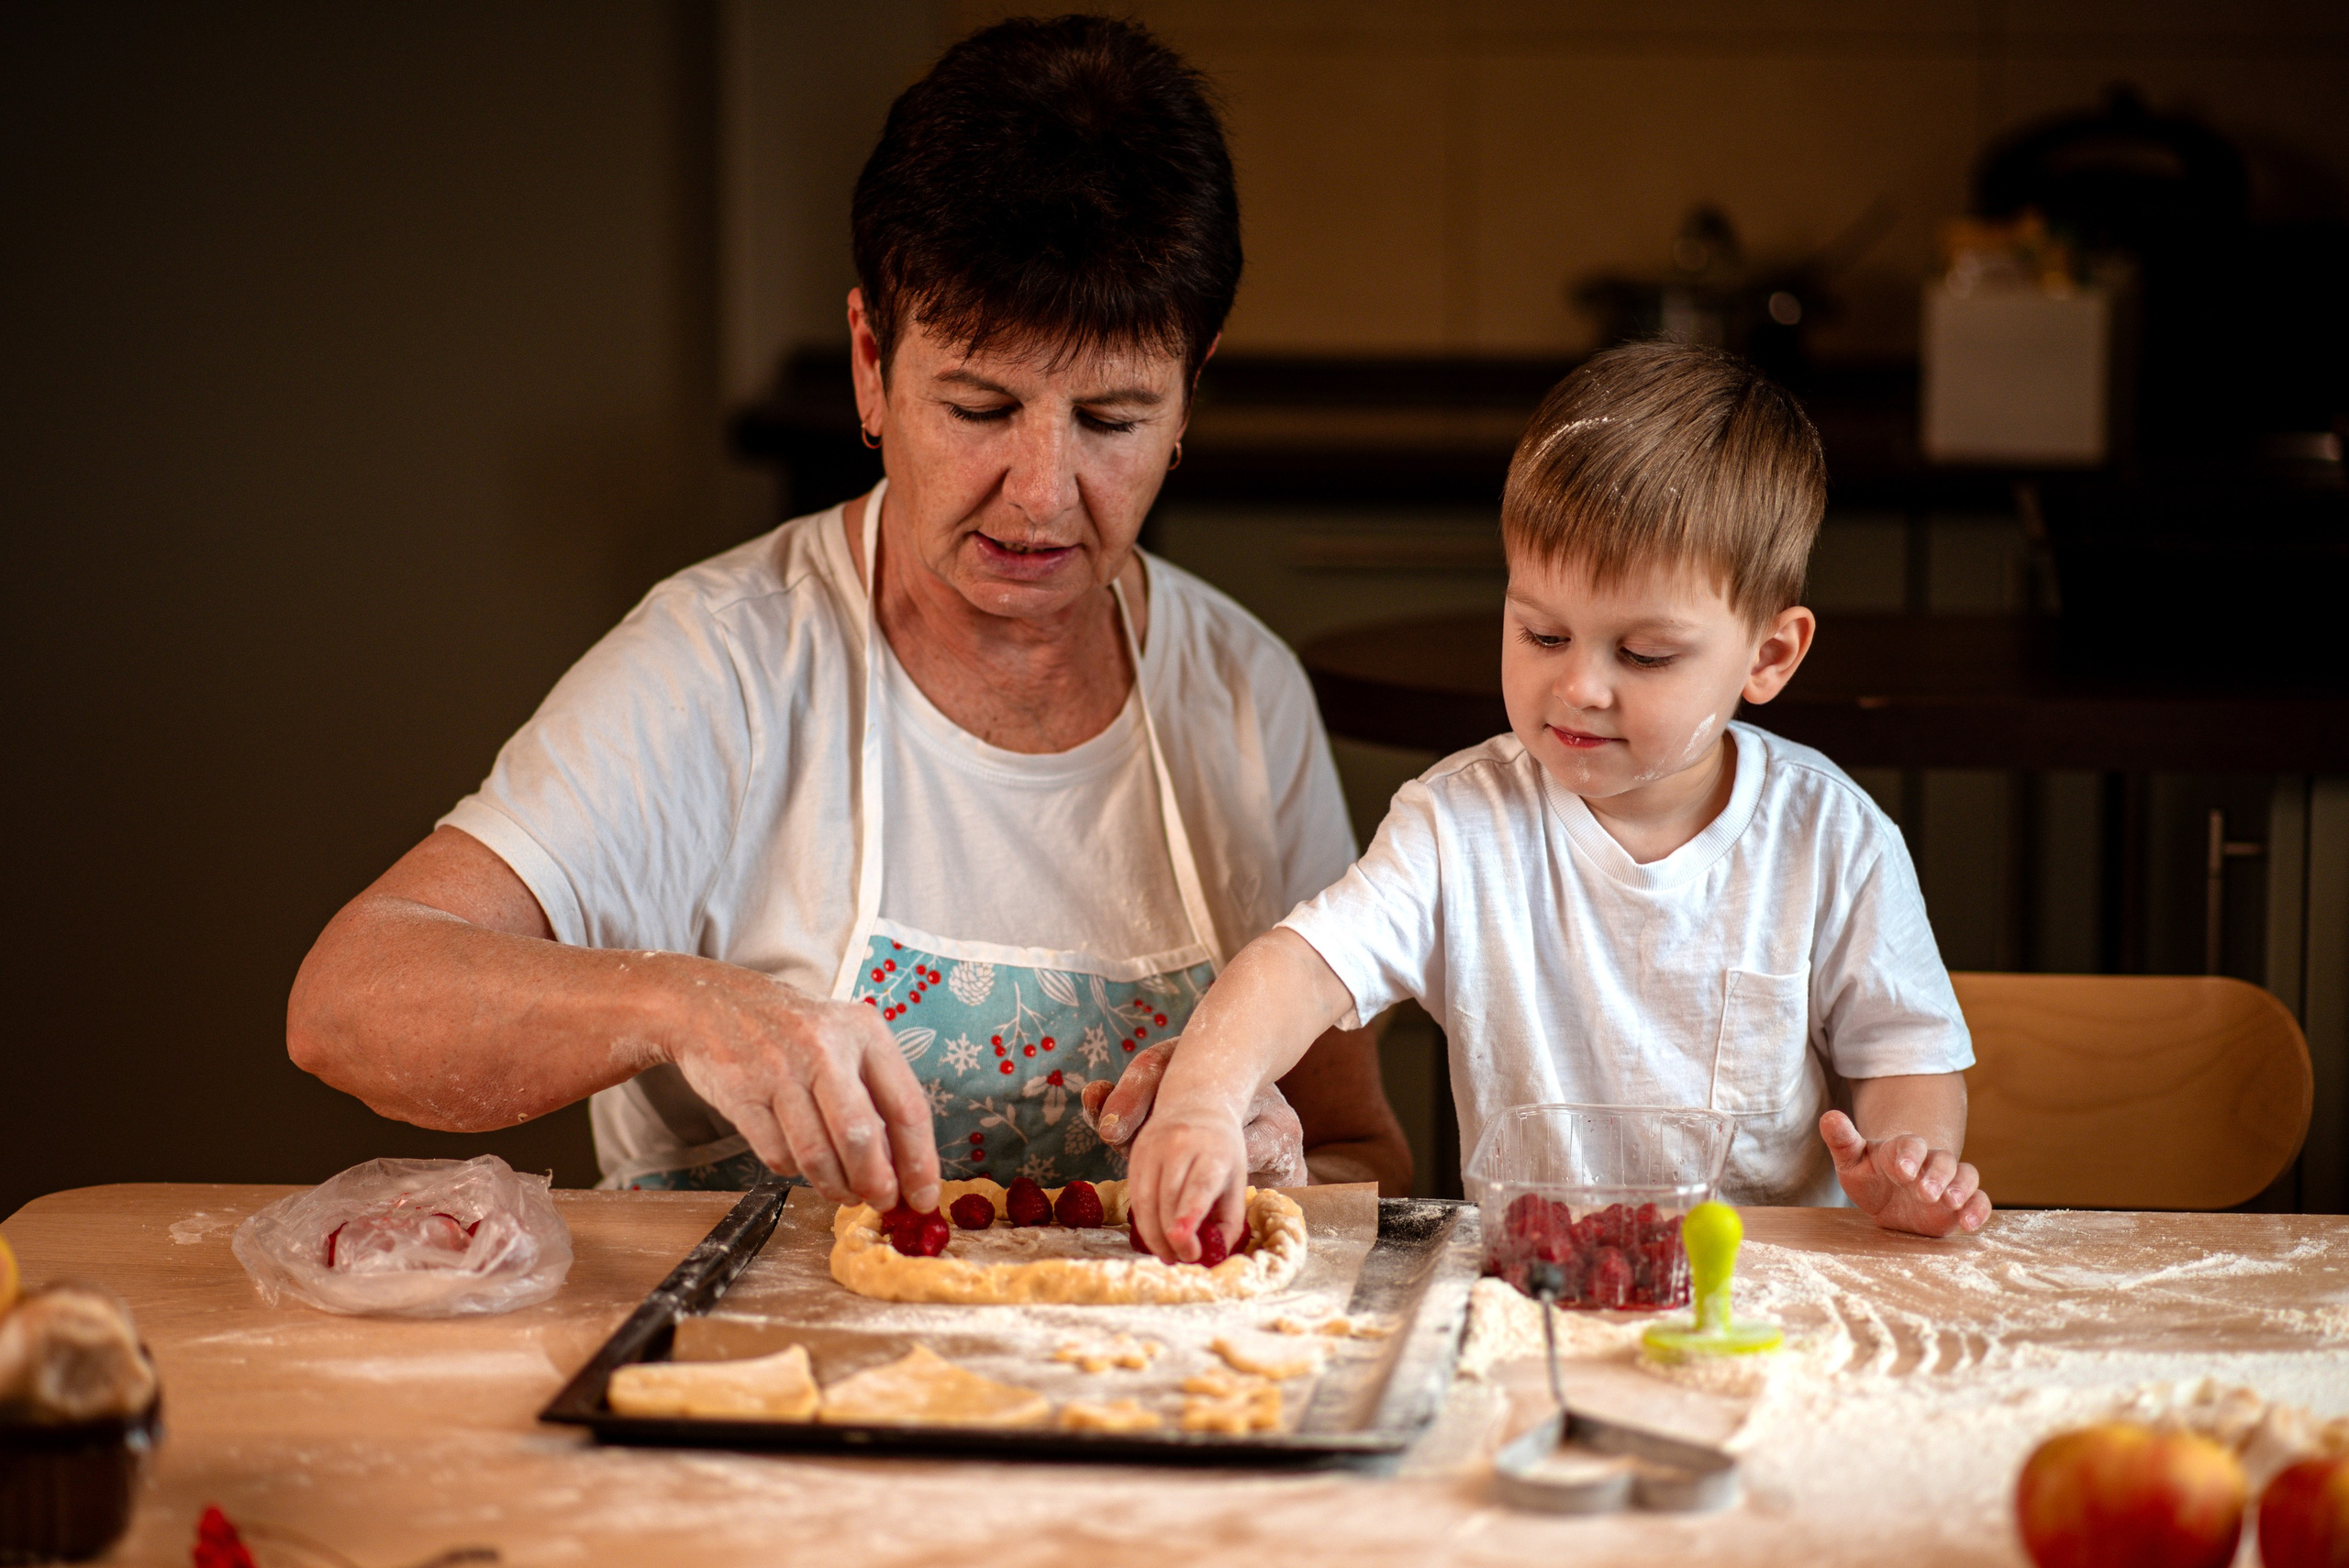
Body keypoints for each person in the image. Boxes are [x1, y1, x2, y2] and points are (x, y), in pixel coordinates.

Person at [286, 15, 1408, 1206]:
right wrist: (685, 1003)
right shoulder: (725, 665)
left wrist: (1285, 1164)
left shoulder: (1240, 691)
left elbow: (1360, 1152)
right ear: (872, 362)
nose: (1041, 494)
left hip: (1131, 1383)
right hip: (762, 1378)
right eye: (978, 408)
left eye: (1113, 421)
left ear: (1192, 395)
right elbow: (350, 997)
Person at [1124, 341, 1992, 1260]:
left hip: (1759, 1302)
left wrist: (1909, 1160)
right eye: (1542, 632)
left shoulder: (1830, 837)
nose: (1578, 685)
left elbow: (1903, 1059)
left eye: (1644, 654)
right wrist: (1203, 1098)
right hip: (1531, 1294)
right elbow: (1300, 966)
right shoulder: (1459, 826)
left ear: (1769, 655)